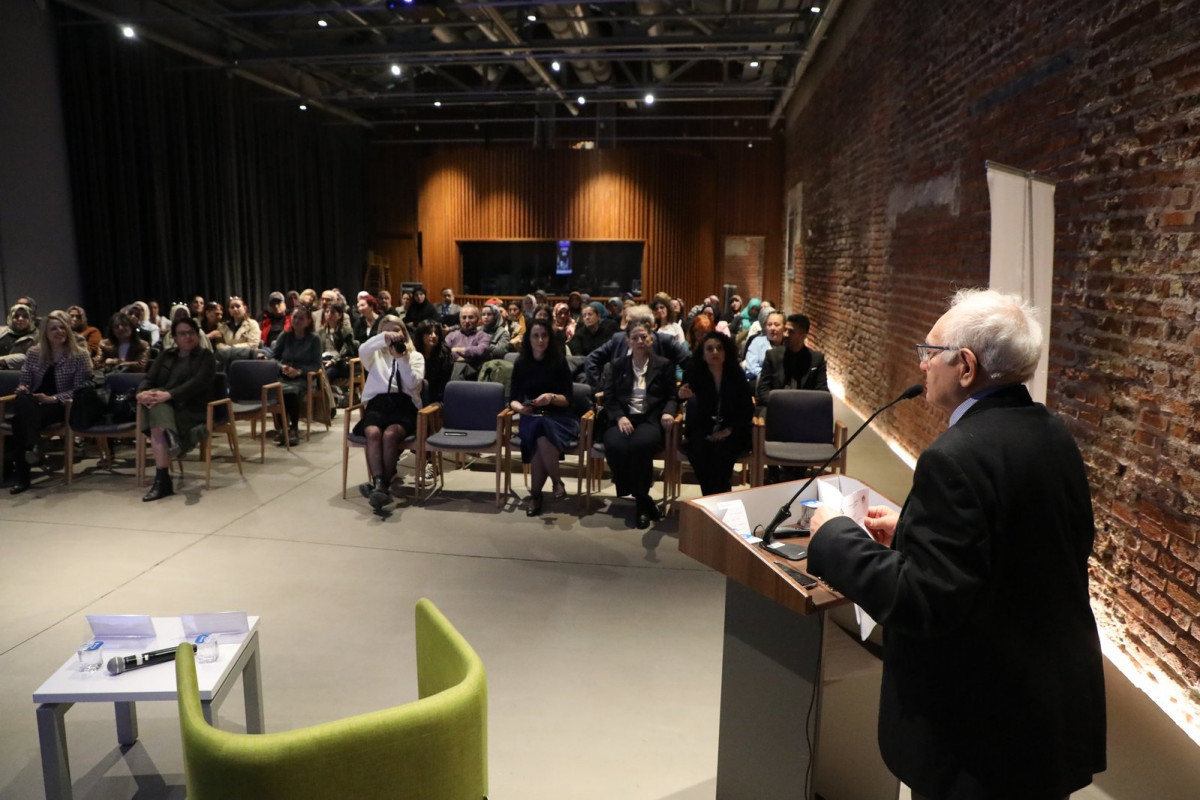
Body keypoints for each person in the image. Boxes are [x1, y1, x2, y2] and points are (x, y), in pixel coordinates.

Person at [807, 289, 1106, 800]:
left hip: (979, 732)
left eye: (930, 352)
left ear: (965, 366)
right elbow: (1018, 549)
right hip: (1044, 712)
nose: (922, 364)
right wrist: (911, 529)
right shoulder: (1052, 434)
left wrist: (834, 534)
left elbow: (922, 601)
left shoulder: (954, 457)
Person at [600, 319, 678, 529]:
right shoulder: (617, 365)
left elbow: (672, 396)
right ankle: (643, 498)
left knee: (639, 445)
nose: (640, 341)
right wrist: (619, 417)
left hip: (650, 419)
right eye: (635, 338)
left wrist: (668, 412)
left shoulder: (663, 365)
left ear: (651, 340)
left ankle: (641, 504)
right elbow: (609, 397)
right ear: (628, 342)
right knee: (614, 444)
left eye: (644, 337)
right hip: (623, 418)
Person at [8, 311, 93, 494]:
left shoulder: (79, 355)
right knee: (22, 403)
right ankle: (35, 445)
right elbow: (25, 381)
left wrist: (53, 398)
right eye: (54, 329)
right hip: (34, 404)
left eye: (62, 327)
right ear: (45, 333)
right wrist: (23, 388)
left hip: (61, 406)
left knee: (19, 421)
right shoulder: (34, 353)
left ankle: (24, 475)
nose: (59, 332)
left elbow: (82, 388)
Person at [136, 316, 217, 502]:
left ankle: (163, 480)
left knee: (156, 410)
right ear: (175, 338)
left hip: (192, 409)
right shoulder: (166, 355)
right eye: (182, 334)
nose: (187, 337)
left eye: (191, 333)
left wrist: (168, 395)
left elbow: (197, 384)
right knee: (156, 406)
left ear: (197, 335)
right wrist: (140, 394)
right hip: (166, 406)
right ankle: (171, 438)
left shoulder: (206, 357)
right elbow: (149, 378)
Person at [509, 319, 579, 517]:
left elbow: (568, 400)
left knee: (540, 433)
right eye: (536, 336)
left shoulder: (559, 361)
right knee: (539, 427)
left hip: (559, 416)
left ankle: (536, 496)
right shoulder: (521, 363)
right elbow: (513, 399)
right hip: (531, 415)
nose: (540, 340)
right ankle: (556, 482)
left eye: (544, 335)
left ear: (550, 338)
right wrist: (520, 409)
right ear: (528, 339)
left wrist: (551, 397)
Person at [354, 315, 425, 510]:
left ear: (404, 333)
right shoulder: (375, 355)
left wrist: (401, 358)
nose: (393, 335)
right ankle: (380, 483)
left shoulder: (415, 357)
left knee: (390, 434)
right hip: (378, 404)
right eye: (388, 331)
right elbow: (363, 349)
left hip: (404, 404)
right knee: (373, 433)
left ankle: (380, 486)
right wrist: (383, 338)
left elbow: (413, 384)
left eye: (396, 330)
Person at [678, 330, 753, 497]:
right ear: (703, 354)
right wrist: (681, 394)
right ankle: (713, 497)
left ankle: (715, 497)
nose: (715, 352)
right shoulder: (697, 373)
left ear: (726, 352)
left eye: (719, 348)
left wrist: (728, 430)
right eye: (710, 349)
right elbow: (680, 394)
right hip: (703, 429)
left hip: (732, 430)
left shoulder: (736, 374)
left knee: (721, 456)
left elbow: (747, 409)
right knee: (699, 453)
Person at [584, 305, 690, 391]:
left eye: (630, 323)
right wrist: (599, 389)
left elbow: (690, 363)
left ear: (647, 325)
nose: (625, 327)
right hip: (621, 400)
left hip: (656, 400)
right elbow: (591, 359)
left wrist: (680, 391)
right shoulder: (619, 339)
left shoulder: (665, 341)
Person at [270, 305, 322, 447]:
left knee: (291, 392)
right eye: (295, 317)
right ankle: (282, 428)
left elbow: (316, 364)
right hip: (284, 374)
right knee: (278, 390)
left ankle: (293, 428)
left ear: (308, 322)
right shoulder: (285, 336)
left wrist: (299, 371)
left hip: (303, 377)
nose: (297, 321)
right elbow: (273, 357)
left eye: (301, 318)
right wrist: (281, 367)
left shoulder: (314, 339)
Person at [755, 313, 827, 408]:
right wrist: (782, 406)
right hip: (776, 408)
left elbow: (822, 392)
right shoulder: (772, 356)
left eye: (791, 332)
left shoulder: (816, 359)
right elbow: (763, 389)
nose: (785, 334)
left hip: (804, 409)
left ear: (803, 336)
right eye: (785, 330)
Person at [318, 301, 358, 389]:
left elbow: (345, 350)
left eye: (333, 312)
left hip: (340, 362)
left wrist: (333, 361)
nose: (329, 314)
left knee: (326, 375)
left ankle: (328, 397)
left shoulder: (346, 330)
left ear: (339, 315)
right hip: (324, 360)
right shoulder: (320, 331)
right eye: (327, 312)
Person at [444, 304, 490, 379]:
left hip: (475, 373)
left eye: (471, 317)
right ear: (460, 319)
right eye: (464, 317)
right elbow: (445, 352)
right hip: (452, 370)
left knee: (460, 366)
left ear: (477, 319)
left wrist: (455, 349)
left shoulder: (483, 336)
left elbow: (479, 351)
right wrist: (468, 359)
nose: (467, 321)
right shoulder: (451, 335)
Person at [413, 318, 453, 404]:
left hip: (439, 395)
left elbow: (445, 380)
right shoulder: (413, 353)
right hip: (417, 394)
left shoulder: (445, 353)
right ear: (420, 335)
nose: (434, 336)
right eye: (429, 333)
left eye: (436, 333)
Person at [215, 296, 262, 363]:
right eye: (232, 307)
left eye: (238, 306)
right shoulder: (223, 326)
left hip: (247, 359)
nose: (235, 309)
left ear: (244, 308)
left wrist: (232, 348)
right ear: (229, 310)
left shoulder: (252, 324)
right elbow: (219, 344)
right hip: (228, 359)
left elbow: (253, 344)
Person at [742, 310, 785, 380]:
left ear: (784, 327)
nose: (772, 328)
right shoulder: (757, 342)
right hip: (759, 380)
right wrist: (770, 376)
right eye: (769, 324)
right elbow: (751, 366)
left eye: (776, 325)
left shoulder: (789, 345)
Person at [0, 303, 38, 370]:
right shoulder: (2, 331)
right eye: (16, 316)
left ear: (30, 319)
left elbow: (29, 359)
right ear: (11, 318)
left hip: (17, 374)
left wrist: (3, 360)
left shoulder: (37, 337)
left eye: (25, 316)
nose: (20, 319)